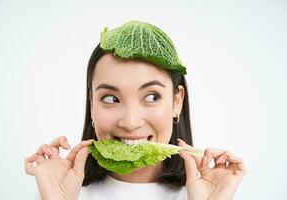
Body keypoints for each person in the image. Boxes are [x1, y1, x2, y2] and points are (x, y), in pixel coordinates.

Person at [25, 20, 246, 200]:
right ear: (92, 104)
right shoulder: (58, 193)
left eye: (151, 97)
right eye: (111, 98)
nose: (130, 122)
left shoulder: (211, 194)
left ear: (176, 102)